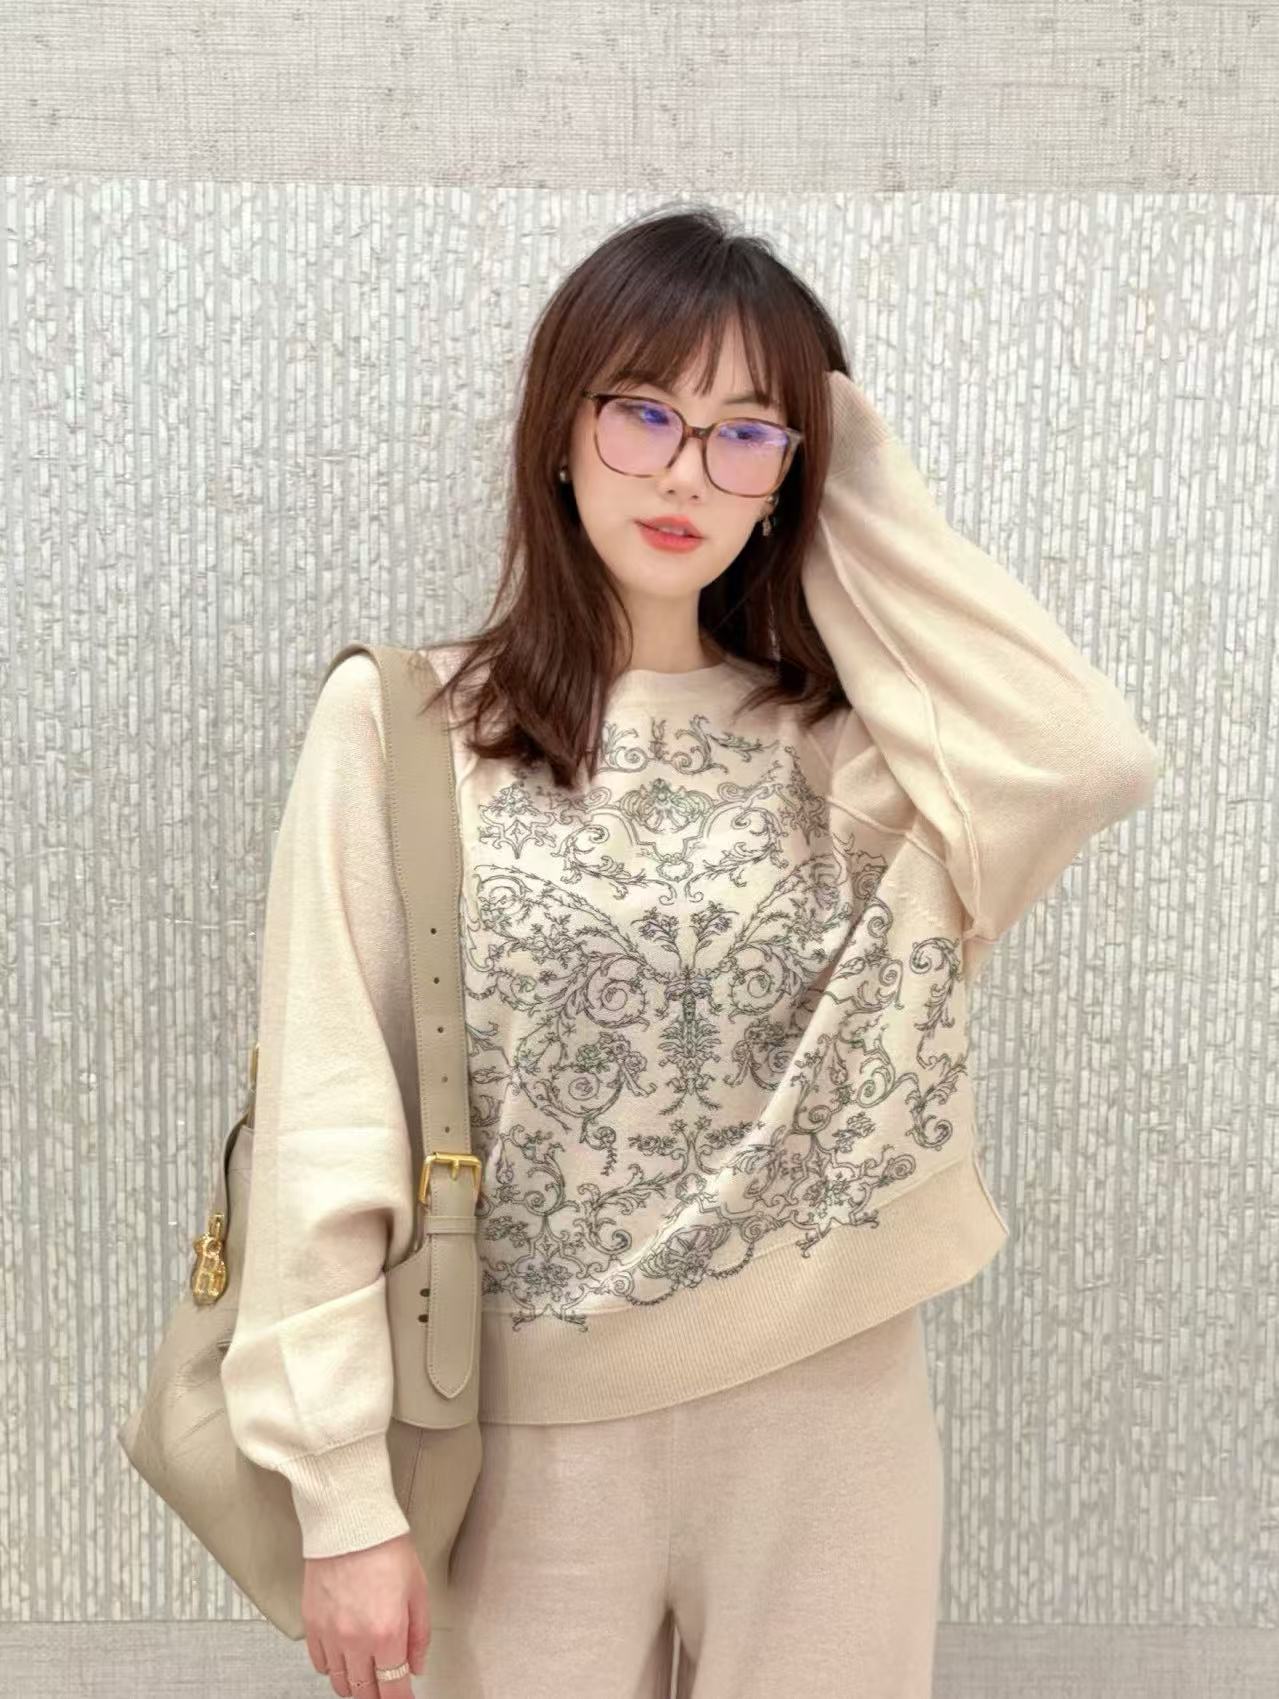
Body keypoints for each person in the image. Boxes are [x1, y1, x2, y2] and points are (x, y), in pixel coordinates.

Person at [220, 202, 1163, 1699]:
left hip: (829, 1417)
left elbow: (1087, 757)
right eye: (644, 410)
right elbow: (332, 1116)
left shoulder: (846, 759)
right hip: (528, 1437)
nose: (682, 472)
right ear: (561, 427)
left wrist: (842, 474)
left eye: (743, 435)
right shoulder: (406, 729)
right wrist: (340, 1496)